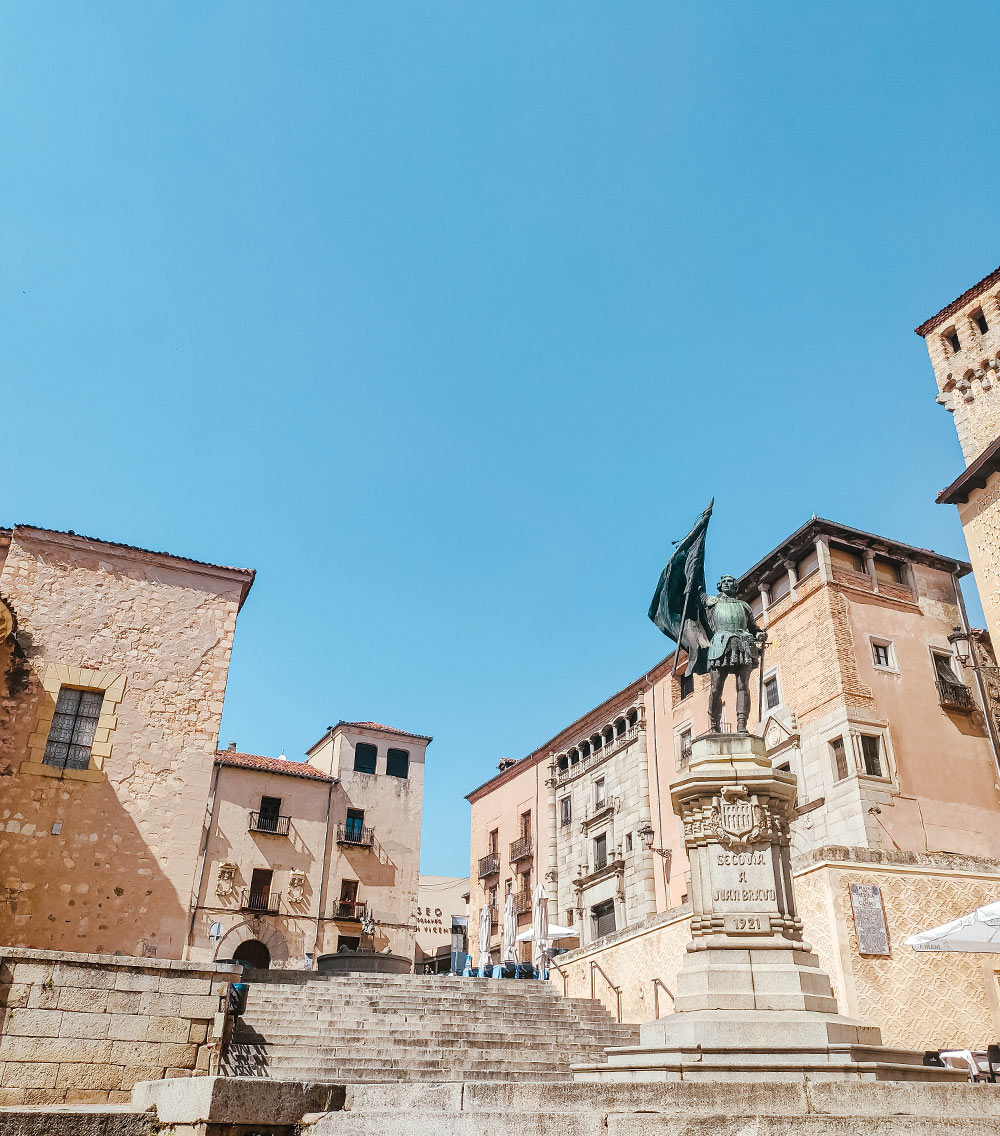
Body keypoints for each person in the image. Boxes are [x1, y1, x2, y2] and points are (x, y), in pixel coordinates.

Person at [702, 574, 766, 734]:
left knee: (743, 686)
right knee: (716, 688)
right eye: (723, 581)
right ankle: (714, 723)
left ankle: (742, 725)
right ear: (719, 585)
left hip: (743, 644)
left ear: (735, 586)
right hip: (720, 645)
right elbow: (696, 593)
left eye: (730, 581)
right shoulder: (712, 602)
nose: (726, 584)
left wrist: (759, 634)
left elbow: (753, 627)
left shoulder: (744, 606)